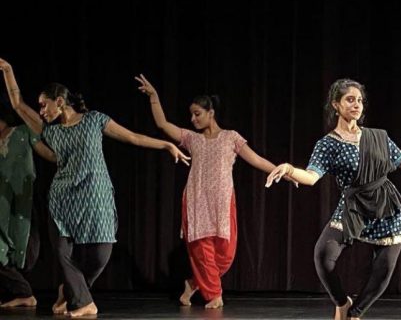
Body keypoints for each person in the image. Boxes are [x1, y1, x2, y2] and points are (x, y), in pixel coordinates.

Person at [265, 78, 401, 320]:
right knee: (323, 255)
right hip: (353, 206)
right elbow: (311, 177)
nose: (357, 105)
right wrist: (289, 168)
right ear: (336, 105)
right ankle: (342, 302)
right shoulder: (328, 144)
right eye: (350, 100)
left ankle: (356, 314)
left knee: (383, 269)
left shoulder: (378, 137)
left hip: (385, 205)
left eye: (360, 100)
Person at [0, 58, 190, 317]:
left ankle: (70, 292)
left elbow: (133, 137)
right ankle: (84, 303)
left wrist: (166, 145)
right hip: (62, 198)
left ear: (60, 100)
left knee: (101, 255)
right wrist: (9, 70)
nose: (41, 110)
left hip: (96, 194)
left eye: (44, 104)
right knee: (62, 252)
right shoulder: (50, 132)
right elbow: (17, 104)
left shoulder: (95, 120)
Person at [135, 74, 294, 309]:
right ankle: (214, 294)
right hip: (196, 200)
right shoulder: (192, 139)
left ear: (211, 113)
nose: (193, 119)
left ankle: (191, 285)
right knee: (202, 252)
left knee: (225, 254)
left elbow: (256, 159)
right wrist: (154, 97)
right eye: (191, 114)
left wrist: (284, 172)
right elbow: (163, 125)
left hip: (222, 201)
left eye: (197, 114)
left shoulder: (231, 138)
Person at [0, 105, 55, 308]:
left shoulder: (23, 131)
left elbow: (47, 153)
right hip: (1, 203)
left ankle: (23, 293)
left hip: (22, 200)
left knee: (22, 245)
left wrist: (69, 159)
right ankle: (19, 292)